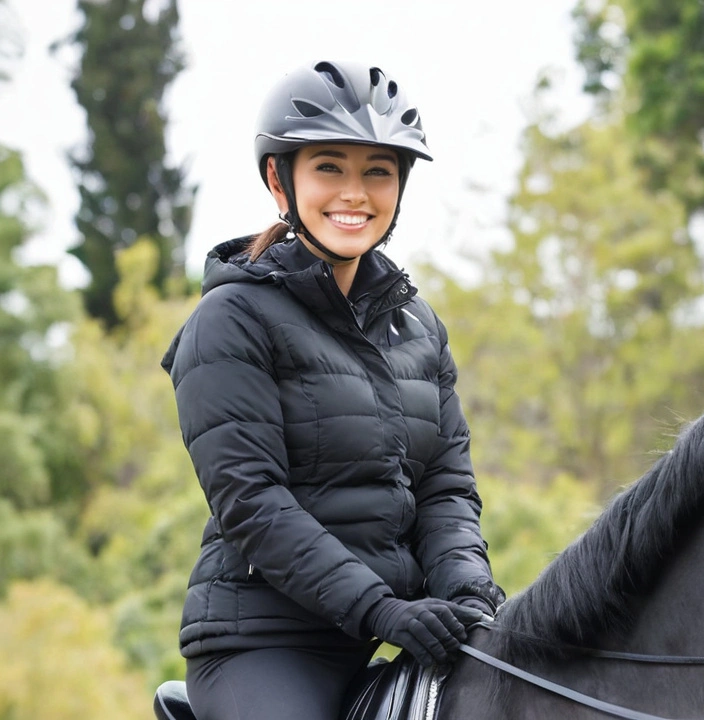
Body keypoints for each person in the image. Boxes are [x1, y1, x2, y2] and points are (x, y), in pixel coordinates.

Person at [160, 60, 505, 720]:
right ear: (278, 180)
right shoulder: (229, 321)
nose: (356, 192)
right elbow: (252, 502)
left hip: (387, 631)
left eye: (378, 170)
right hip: (265, 646)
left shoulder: (419, 329)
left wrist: (468, 592)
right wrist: (383, 608)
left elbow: (444, 487)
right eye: (329, 167)